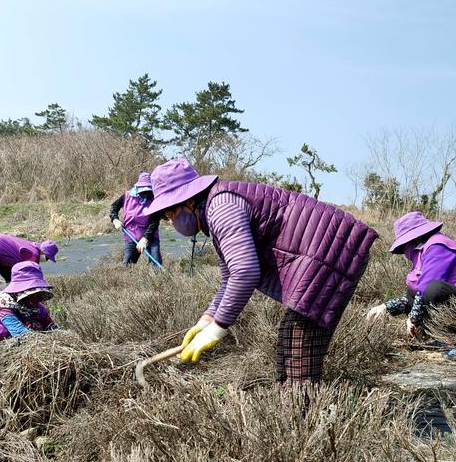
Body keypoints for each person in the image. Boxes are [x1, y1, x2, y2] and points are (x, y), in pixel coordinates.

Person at [144, 157, 378, 384]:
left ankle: (301, 415)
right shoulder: (216, 207)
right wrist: (206, 320)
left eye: (171, 212)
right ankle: (291, 409)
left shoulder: (222, 207)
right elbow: (229, 276)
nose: (171, 219)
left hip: (330, 255)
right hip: (323, 255)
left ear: (189, 200)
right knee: (289, 338)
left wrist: (218, 328)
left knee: (300, 351)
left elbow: (245, 272)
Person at [366, 211, 456, 358]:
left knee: (435, 290)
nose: (405, 252)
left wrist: (413, 318)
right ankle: (449, 339)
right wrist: (385, 307)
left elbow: (428, 287)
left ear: (415, 238)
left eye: (404, 246)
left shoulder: (437, 245)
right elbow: (416, 294)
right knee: (413, 291)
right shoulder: (423, 251)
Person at [0, 233, 58, 303]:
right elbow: (32, 279)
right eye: (47, 258)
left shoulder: (33, 247)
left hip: (2, 252)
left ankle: (12, 301)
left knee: (11, 279)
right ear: (43, 251)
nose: (46, 260)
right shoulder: (33, 255)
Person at [109, 172, 162, 267]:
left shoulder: (154, 200)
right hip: (131, 235)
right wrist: (115, 219)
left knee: (155, 264)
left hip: (150, 236)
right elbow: (114, 206)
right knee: (127, 265)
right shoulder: (127, 196)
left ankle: (157, 280)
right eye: (143, 191)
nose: (146, 194)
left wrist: (145, 239)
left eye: (148, 191)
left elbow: (154, 222)